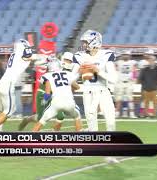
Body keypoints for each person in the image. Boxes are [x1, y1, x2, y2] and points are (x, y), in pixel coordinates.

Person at [73, 30, 118, 163]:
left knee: (111, 122)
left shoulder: (106, 55)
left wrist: (97, 70)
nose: (84, 45)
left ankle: (111, 153)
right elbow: (71, 77)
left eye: (86, 42)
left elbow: (114, 78)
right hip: (88, 93)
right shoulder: (80, 56)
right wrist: (77, 73)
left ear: (94, 42)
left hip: (103, 91)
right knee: (93, 129)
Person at [0, 39, 36, 131]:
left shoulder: (14, 54)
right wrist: (45, 57)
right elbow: (30, 57)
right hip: (7, 85)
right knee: (8, 111)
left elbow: (28, 59)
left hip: (3, 83)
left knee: (10, 109)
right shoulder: (21, 54)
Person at [32, 59, 82, 132]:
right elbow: (77, 87)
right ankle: (79, 140)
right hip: (69, 102)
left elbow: (47, 94)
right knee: (77, 117)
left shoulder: (47, 76)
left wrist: (44, 101)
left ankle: (30, 140)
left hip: (56, 103)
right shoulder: (68, 73)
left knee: (41, 121)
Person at [114, 50, 137, 118]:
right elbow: (114, 69)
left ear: (129, 56)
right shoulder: (118, 62)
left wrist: (134, 79)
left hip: (129, 82)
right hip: (120, 82)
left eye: (126, 54)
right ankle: (117, 113)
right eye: (124, 54)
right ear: (121, 55)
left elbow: (134, 71)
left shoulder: (133, 62)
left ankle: (132, 113)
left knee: (130, 99)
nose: (125, 56)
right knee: (118, 99)